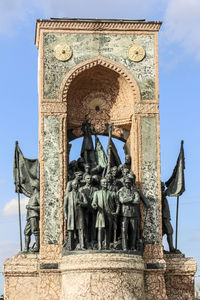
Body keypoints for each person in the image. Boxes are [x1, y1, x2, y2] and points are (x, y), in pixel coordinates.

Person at [118, 177, 149, 251]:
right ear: (124, 183)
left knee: (134, 230)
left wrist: (127, 199)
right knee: (124, 230)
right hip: (124, 213)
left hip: (133, 213)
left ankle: (132, 246)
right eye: (126, 183)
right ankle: (124, 247)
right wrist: (131, 198)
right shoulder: (121, 190)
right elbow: (122, 200)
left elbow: (137, 201)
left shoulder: (135, 191)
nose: (127, 184)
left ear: (131, 183)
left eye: (129, 183)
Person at [92, 178, 119, 250]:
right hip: (100, 213)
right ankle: (100, 246)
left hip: (109, 214)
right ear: (101, 184)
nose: (105, 184)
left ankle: (107, 246)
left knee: (108, 230)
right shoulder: (97, 193)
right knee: (100, 230)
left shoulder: (112, 193)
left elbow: (117, 204)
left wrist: (116, 212)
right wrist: (94, 205)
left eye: (106, 182)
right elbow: (94, 202)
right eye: (103, 183)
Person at [63, 180, 88, 250]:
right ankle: (70, 246)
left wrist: (80, 203)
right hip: (71, 215)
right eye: (74, 184)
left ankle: (82, 246)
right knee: (71, 230)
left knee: (81, 230)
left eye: (77, 184)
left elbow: (86, 203)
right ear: (72, 186)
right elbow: (64, 206)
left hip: (80, 215)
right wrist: (65, 215)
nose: (76, 186)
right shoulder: (68, 195)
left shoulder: (81, 194)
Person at [80, 174, 98, 247]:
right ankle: (86, 240)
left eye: (90, 178)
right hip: (85, 210)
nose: (89, 180)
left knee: (93, 225)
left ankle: (93, 240)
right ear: (85, 179)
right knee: (86, 225)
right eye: (87, 178)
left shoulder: (96, 189)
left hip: (93, 210)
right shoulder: (81, 189)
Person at [161, 182, 180, 253]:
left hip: (166, 217)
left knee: (166, 232)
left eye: (163, 188)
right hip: (163, 218)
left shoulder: (163, 196)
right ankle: (170, 248)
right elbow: (165, 193)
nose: (163, 189)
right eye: (162, 188)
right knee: (169, 231)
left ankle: (169, 248)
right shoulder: (161, 196)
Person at [24, 180, 40, 252]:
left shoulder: (38, 195)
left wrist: (31, 207)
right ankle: (26, 248)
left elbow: (41, 207)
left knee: (35, 231)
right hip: (29, 216)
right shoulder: (32, 196)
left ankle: (38, 247)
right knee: (26, 232)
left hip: (34, 216)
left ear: (34, 187)